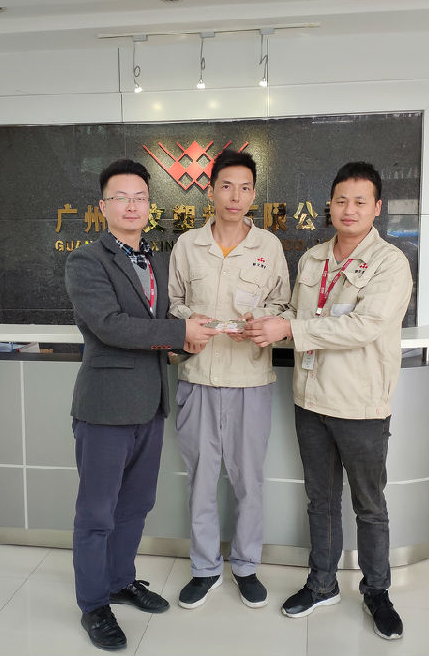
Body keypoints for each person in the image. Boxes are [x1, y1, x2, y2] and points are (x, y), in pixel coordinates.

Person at [244, 161, 412, 640]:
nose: (349, 209)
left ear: (377, 208)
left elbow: (364, 326)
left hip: (360, 405)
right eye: (341, 200)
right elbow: (296, 312)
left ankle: (377, 591)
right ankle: (322, 583)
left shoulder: (389, 263)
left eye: (360, 201)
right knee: (320, 500)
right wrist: (260, 319)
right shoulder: (314, 258)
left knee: (369, 505)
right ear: (330, 205)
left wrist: (290, 328)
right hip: (310, 399)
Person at [65, 158, 218, 651]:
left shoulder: (155, 260)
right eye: (121, 198)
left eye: (140, 198)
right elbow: (110, 325)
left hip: (150, 405)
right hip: (105, 408)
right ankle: (94, 606)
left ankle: (119, 580)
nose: (132, 206)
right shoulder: (87, 261)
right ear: (103, 206)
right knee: (97, 514)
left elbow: (154, 331)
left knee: (135, 506)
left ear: (150, 205)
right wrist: (178, 330)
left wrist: (183, 344)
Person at [167, 149, 291, 610]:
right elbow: (173, 303)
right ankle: (204, 569)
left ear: (253, 195)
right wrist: (189, 322)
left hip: (250, 381)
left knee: (248, 482)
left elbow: (284, 306)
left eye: (244, 188)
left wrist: (263, 323)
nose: (235, 197)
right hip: (198, 378)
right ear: (211, 191)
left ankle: (246, 566)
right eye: (226, 186)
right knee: (201, 481)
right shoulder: (187, 245)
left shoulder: (269, 247)